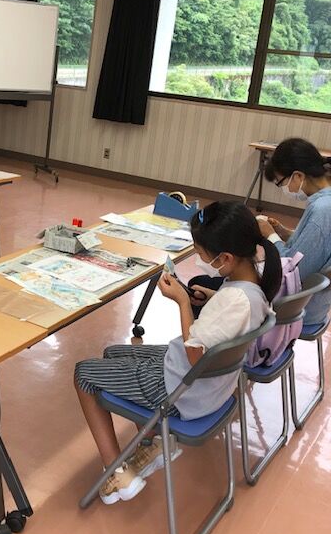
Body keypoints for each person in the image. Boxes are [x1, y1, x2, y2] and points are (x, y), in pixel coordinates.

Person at [74, 201, 280, 504]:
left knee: (83, 373)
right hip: (208, 389)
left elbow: (196, 356)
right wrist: (211, 298)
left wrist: (183, 302)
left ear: (226, 257)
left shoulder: (235, 299)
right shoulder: (253, 286)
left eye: (201, 254)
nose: (199, 261)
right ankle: (152, 444)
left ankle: (118, 474)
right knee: (113, 352)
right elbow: (230, 316)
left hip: (180, 391)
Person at [256, 138, 331, 325]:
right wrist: (284, 232)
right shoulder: (324, 202)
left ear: (297, 176)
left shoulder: (322, 210)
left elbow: (293, 269)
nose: (284, 188)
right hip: (313, 304)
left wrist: (271, 235)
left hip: (296, 309)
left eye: (281, 182)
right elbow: (318, 246)